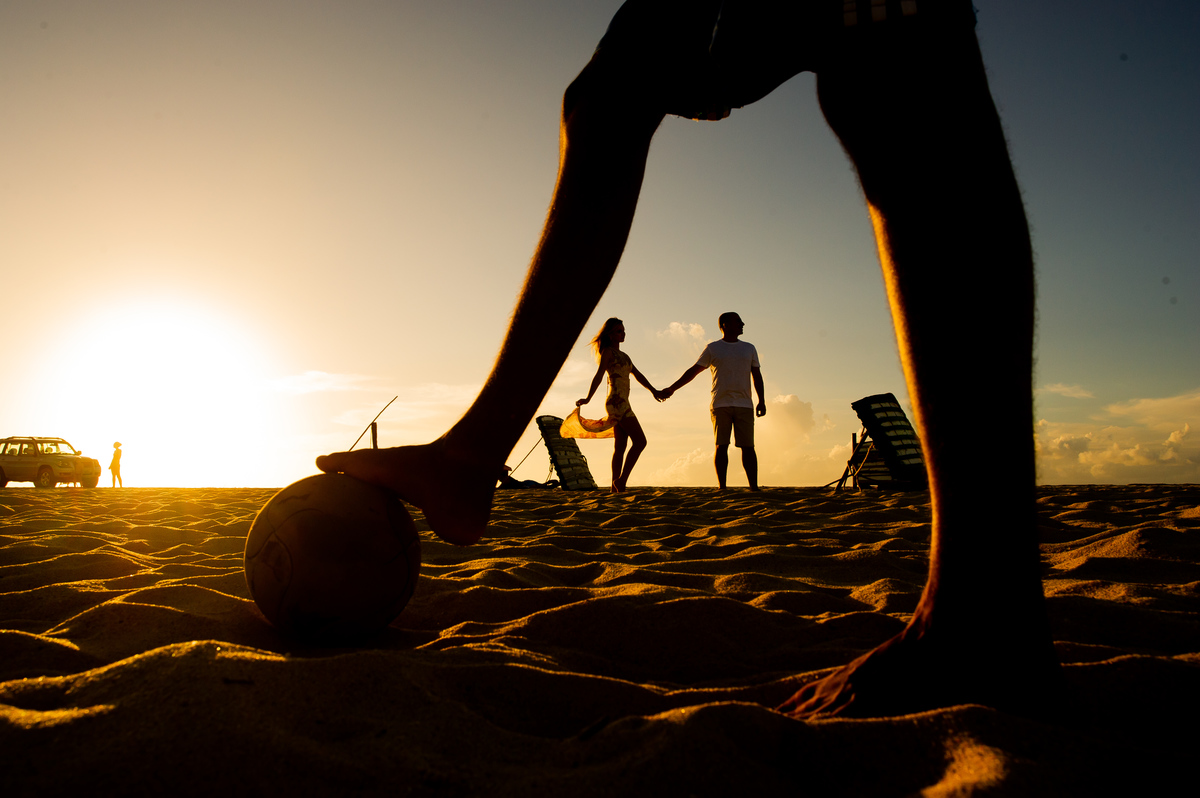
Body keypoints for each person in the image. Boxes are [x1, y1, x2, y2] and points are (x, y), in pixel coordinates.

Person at [318, 0, 1063, 719]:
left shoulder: (724, 347)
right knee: (633, 96)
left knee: (895, 69)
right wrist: (655, 387)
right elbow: (648, 372)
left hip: (684, 398)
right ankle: (471, 455)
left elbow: (671, 372)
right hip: (670, 401)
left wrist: (687, 387)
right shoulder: (695, 350)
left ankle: (982, 614)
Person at [662, 312, 765, 490]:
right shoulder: (713, 348)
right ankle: (722, 487)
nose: (742, 324)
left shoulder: (749, 348)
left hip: (744, 404)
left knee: (748, 446)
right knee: (721, 445)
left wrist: (761, 400)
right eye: (738, 321)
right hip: (720, 403)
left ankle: (753, 487)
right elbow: (693, 371)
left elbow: (757, 375)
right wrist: (672, 388)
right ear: (725, 325)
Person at [569, 317, 664, 493]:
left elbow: (639, 375)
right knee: (640, 441)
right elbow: (598, 376)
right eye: (619, 331)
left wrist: (654, 391)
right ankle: (621, 481)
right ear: (610, 335)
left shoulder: (625, 356)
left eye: (623, 330)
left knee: (620, 447)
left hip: (623, 402)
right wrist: (588, 398)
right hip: (616, 402)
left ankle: (615, 487)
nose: (623, 334)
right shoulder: (608, 352)